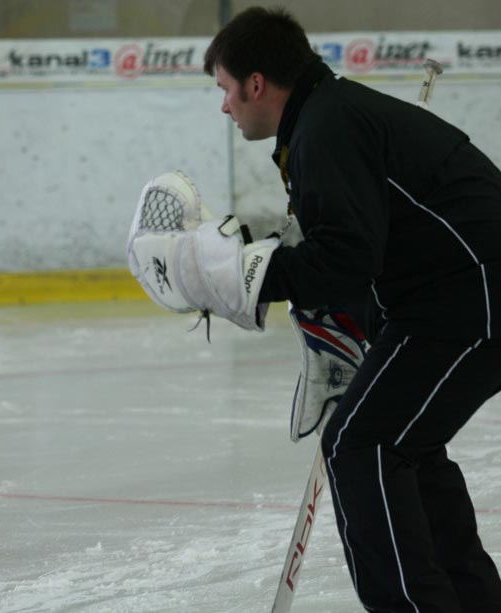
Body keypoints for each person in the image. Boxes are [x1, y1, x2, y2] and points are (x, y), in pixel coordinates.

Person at [127, 6, 501, 612]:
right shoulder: (329, 115)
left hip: (469, 296)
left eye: (224, 89)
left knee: (362, 445)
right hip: (451, 295)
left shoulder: (326, 127)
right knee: (405, 446)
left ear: (256, 84)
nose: (223, 106)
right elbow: (370, 246)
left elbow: (346, 257)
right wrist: (351, 323)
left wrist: (241, 277)